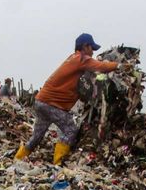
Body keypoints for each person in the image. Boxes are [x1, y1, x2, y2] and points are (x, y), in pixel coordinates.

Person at [15, 33, 127, 165]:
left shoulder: (73, 58)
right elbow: (101, 66)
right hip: (52, 104)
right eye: (92, 48)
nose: (92, 52)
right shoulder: (81, 58)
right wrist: (119, 66)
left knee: (37, 136)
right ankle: (58, 163)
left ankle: (18, 158)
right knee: (70, 129)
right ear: (85, 46)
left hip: (41, 101)